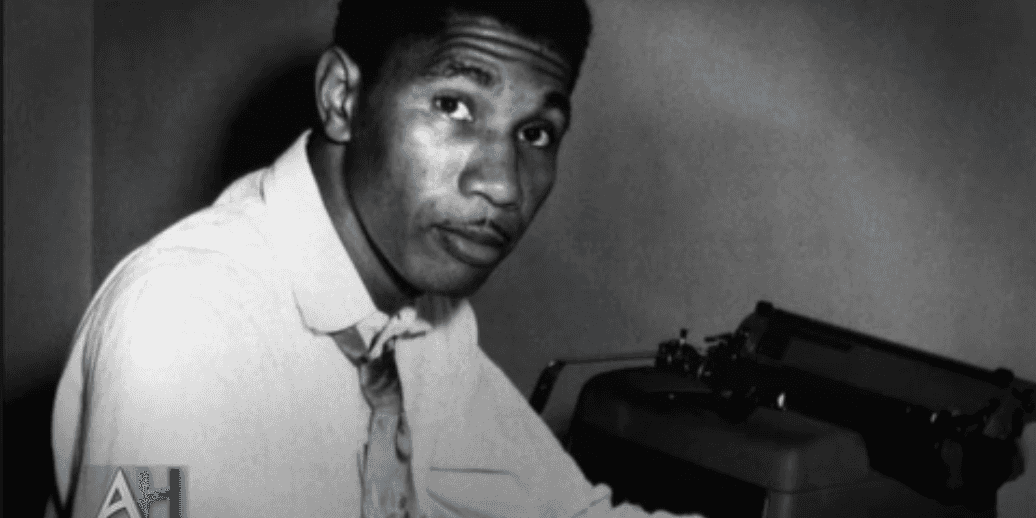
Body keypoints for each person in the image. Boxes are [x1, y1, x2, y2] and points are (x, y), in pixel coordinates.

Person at [48, 1, 706, 517]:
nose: (503, 184)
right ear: (341, 97)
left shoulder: (423, 326)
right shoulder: (175, 324)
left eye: (534, 133)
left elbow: (562, 513)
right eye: (453, 106)